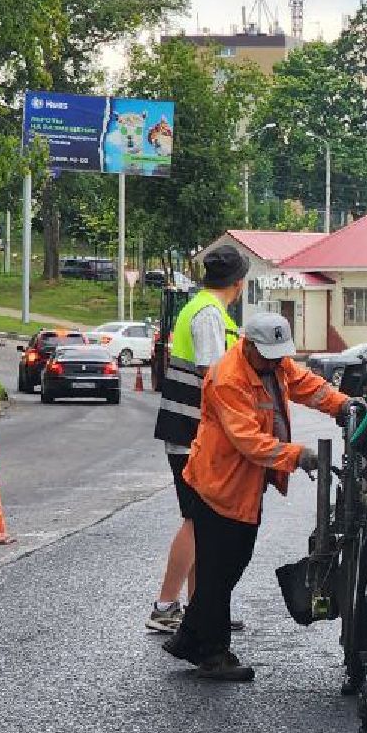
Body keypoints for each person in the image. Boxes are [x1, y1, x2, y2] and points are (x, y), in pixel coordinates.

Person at [163, 312, 353, 681]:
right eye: (267, 356)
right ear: (247, 345)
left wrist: (342, 404)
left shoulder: (273, 362)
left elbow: (308, 385)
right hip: (219, 483)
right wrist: (298, 455)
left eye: (278, 356)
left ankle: (188, 637)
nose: (274, 362)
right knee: (219, 570)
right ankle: (213, 654)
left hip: (243, 483)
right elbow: (248, 441)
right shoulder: (228, 378)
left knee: (230, 564)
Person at [145, 245, 246, 634]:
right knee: (196, 520)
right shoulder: (208, 314)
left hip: (191, 430)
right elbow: (214, 377)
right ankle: (165, 607)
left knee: (202, 522)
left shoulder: (204, 308)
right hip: (192, 432)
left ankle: (200, 608)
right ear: (239, 283)